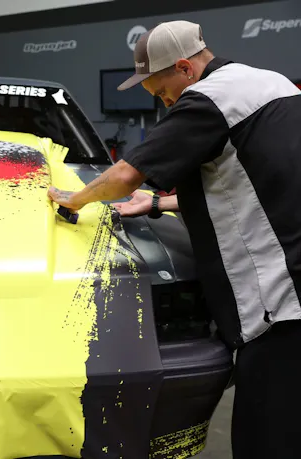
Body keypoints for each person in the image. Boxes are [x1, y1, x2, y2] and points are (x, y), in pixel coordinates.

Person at [48, 19, 301, 459]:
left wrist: (76, 198)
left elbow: (125, 175)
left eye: (163, 92)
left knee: (267, 437)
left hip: (278, 304)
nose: (165, 103)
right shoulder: (275, 85)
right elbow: (250, 182)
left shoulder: (208, 99)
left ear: (185, 68)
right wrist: (158, 203)